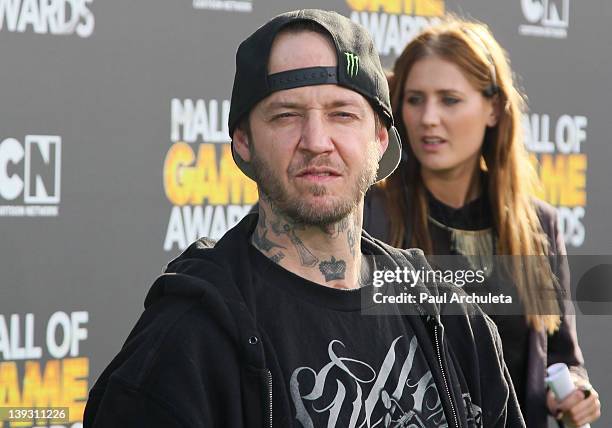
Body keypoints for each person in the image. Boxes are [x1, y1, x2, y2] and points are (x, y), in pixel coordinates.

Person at [83, 10, 525, 427]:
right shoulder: (186, 344)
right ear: (243, 142)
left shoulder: (449, 316)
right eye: (286, 116)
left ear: (379, 137)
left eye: (342, 114)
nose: (317, 141)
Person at [364, 17, 601, 428]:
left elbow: (562, 358)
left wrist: (574, 393)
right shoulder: (370, 214)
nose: (428, 118)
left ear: (493, 108)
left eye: (449, 99)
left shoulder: (539, 225)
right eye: (415, 99)